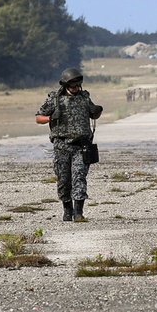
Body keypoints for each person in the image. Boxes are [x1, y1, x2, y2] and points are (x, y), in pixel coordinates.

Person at [35, 68, 103, 221]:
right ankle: (67, 209)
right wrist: (51, 118)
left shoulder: (84, 97)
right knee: (63, 179)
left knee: (79, 177)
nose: (76, 89)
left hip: (81, 146)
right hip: (62, 146)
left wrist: (97, 110)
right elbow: (38, 117)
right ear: (65, 85)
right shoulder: (55, 99)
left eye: (78, 86)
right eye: (73, 86)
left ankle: (78, 212)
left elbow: (94, 113)